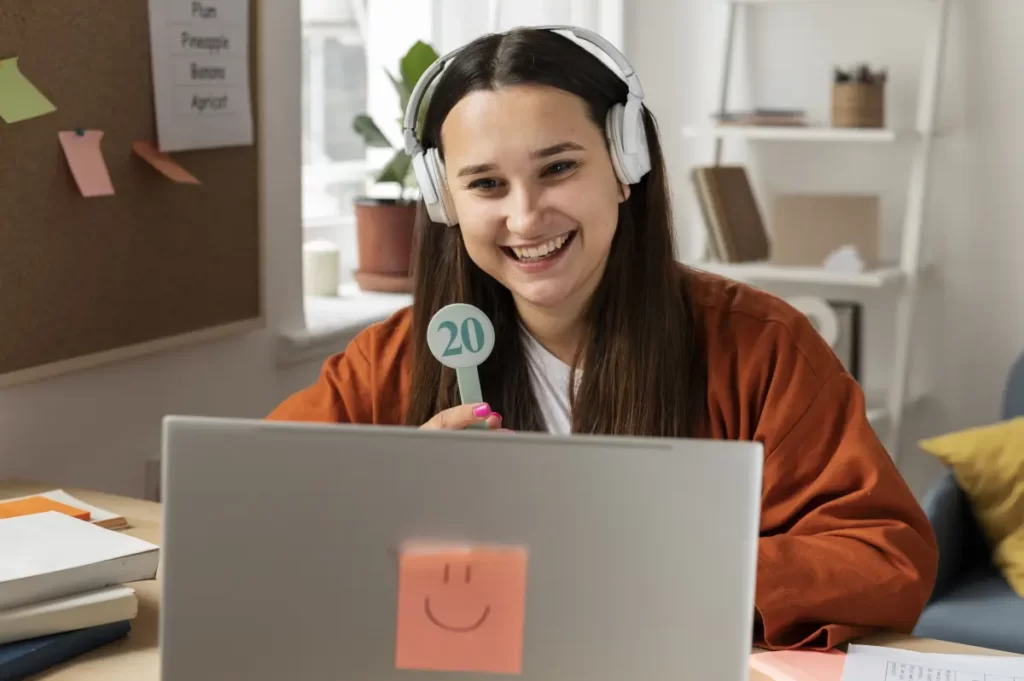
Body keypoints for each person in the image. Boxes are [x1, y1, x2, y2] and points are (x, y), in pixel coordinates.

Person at [268, 26, 937, 650]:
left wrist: (662, 558)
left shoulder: (761, 347)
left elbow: (886, 556)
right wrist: (389, 499)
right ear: (447, 201)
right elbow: (259, 506)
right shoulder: (397, 358)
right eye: (486, 184)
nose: (526, 216)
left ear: (625, 165)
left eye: (558, 168)